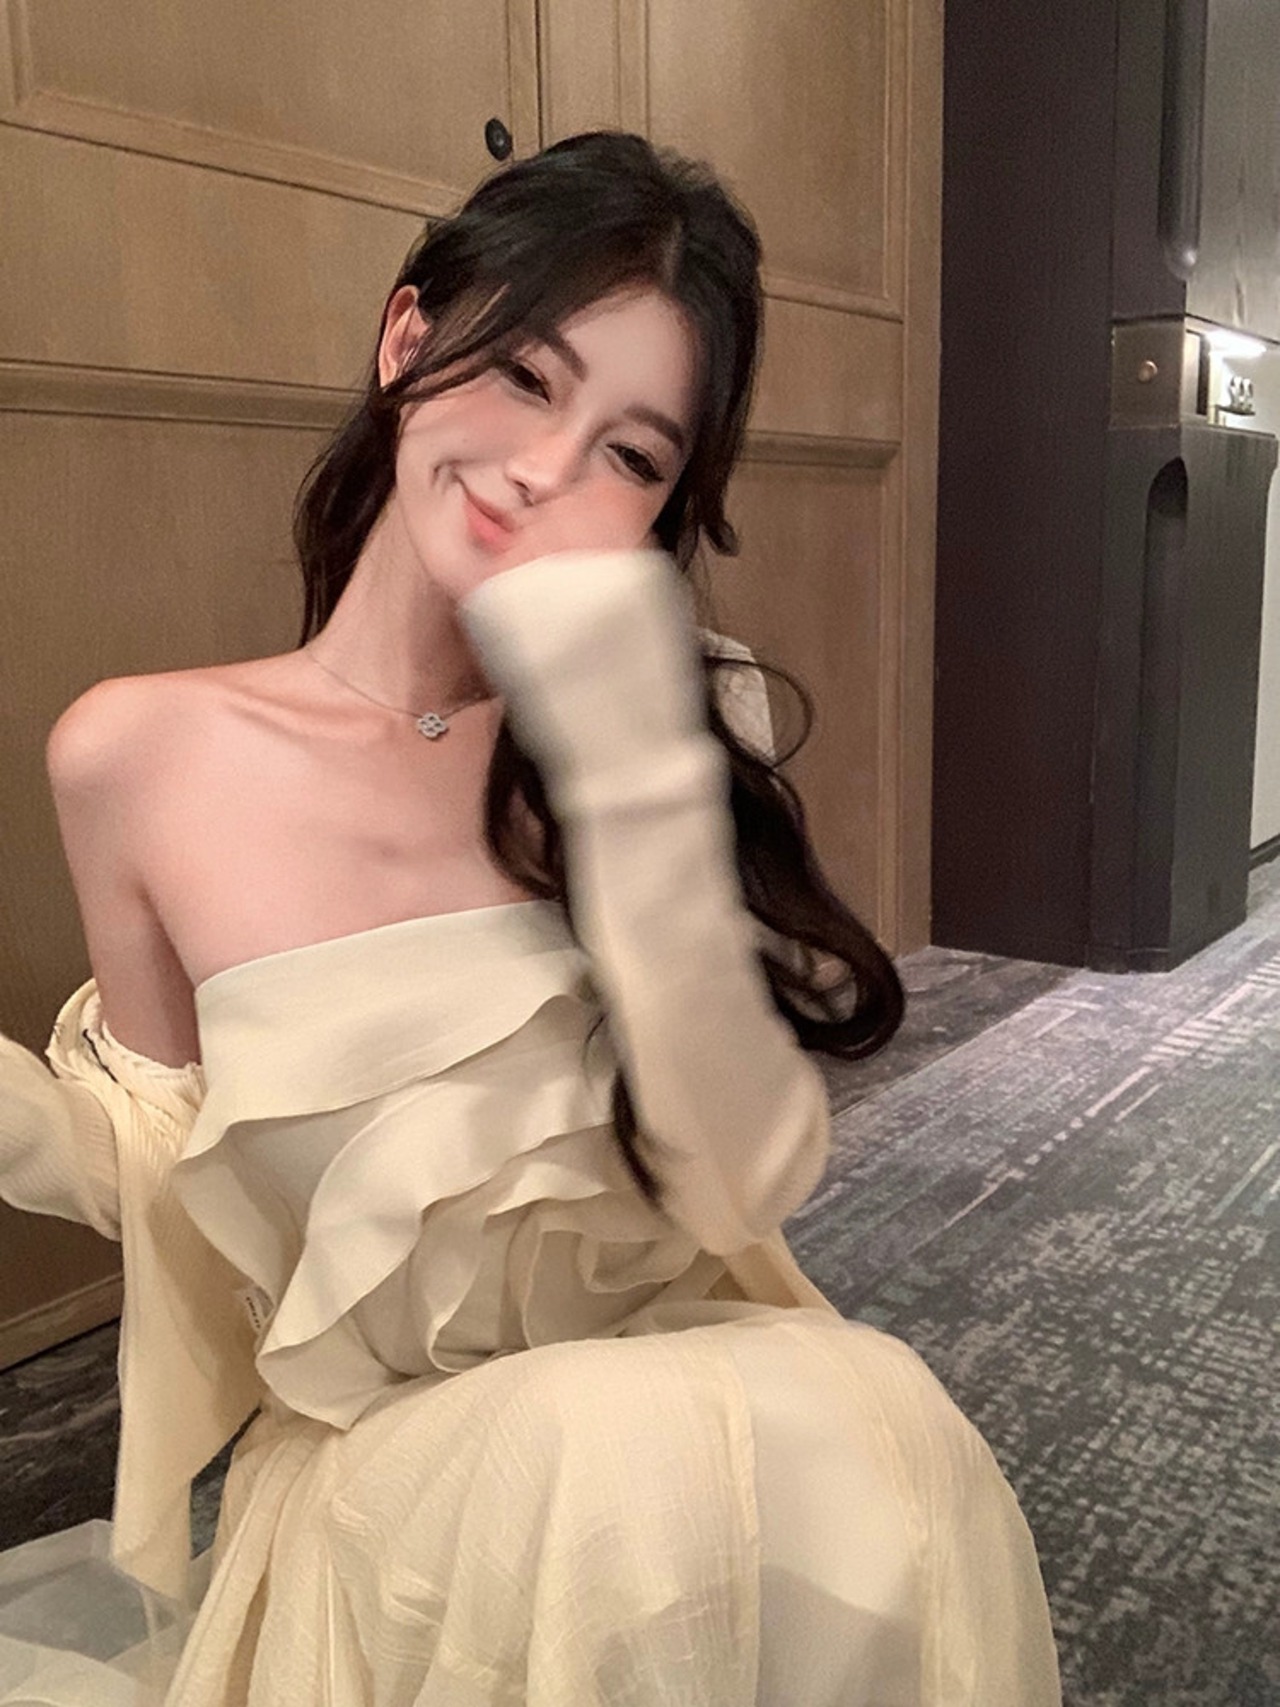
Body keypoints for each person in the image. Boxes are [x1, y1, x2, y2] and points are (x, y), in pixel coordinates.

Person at [0, 131, 1061, 1705]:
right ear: (407, 341)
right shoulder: (137, 753)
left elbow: (743, 1180)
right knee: (635, 1474)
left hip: (675, 1382)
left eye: (631, 455)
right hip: (394, 1465)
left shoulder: (668, 723)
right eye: (524, 378)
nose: (546, 473)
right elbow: (166, 1155)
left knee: (883, 1420)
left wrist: (630, 779)